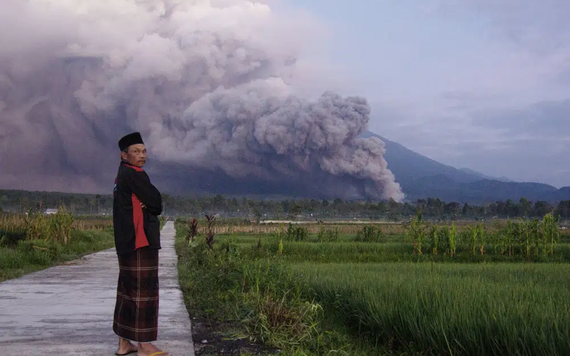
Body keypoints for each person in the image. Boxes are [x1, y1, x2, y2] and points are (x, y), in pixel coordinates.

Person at [112, 132, 169, 356]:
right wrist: (149, 203)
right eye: (136, 151)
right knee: (144, 293)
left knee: (127, 291)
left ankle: (124, 343)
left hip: (126, 242)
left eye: (144, 151)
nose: (142, 156)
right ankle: (145, 345)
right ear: (124, 155)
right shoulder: (135, 175)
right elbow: (156, 203)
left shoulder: (121, 175)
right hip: (140, 242)